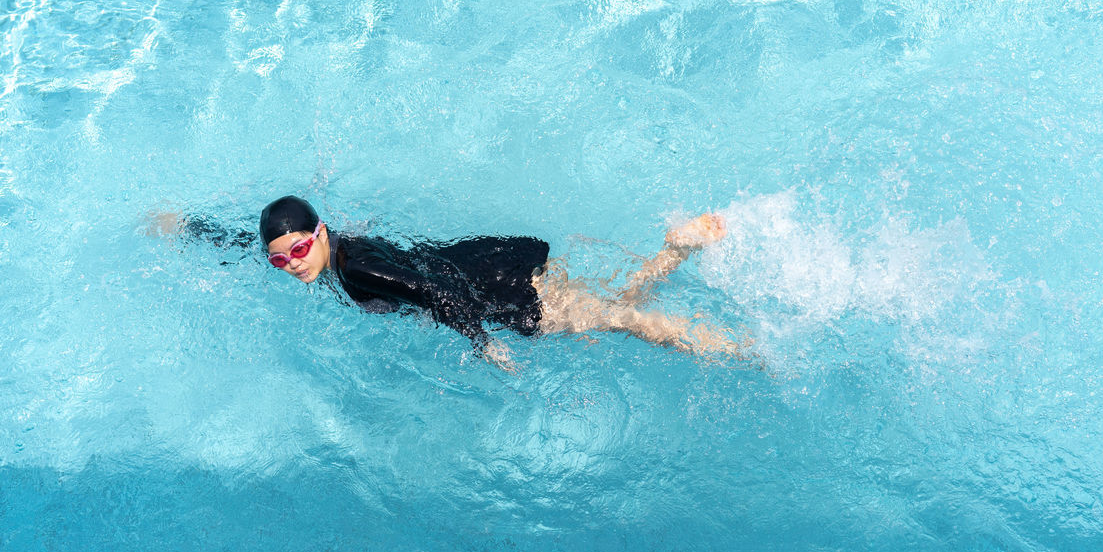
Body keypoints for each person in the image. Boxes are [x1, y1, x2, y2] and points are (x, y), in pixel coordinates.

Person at [151, 196, 748, 372]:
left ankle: (741, 350)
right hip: (491, 262)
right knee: (612, 309)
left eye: (300, 249)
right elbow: (256, 245)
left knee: (626, 322)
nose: (295, 264)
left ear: (321, 232)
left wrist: (483, 345)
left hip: (503, 293)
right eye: (283, 261)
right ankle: (671, 254)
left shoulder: (356, 270)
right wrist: (191, 230)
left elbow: (440, 296)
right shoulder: (341, 249)